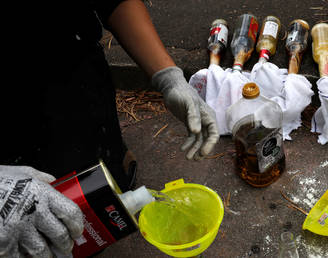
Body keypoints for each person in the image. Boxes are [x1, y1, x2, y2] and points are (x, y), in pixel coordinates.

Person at [1, 0, 220, 256]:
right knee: (39, 238)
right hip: (13, 144)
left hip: (78, 85)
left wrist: (169, 77)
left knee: (95, 211)